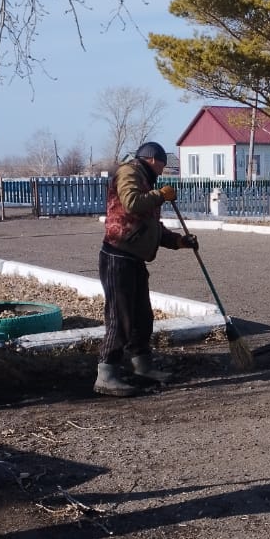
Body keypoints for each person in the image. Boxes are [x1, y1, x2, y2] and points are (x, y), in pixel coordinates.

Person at [95, 141, 198, 397]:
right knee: (121, 318)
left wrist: (178, 242)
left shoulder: (145, 179)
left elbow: (149, 226)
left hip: (134, 259)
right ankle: (106, 374)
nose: (163, 171)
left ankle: (142, 367)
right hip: (117, 257)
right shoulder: (129, 172)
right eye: (162, 165)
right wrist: (160, 195)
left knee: (142, 316)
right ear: (152, 159)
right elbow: (131, 203)